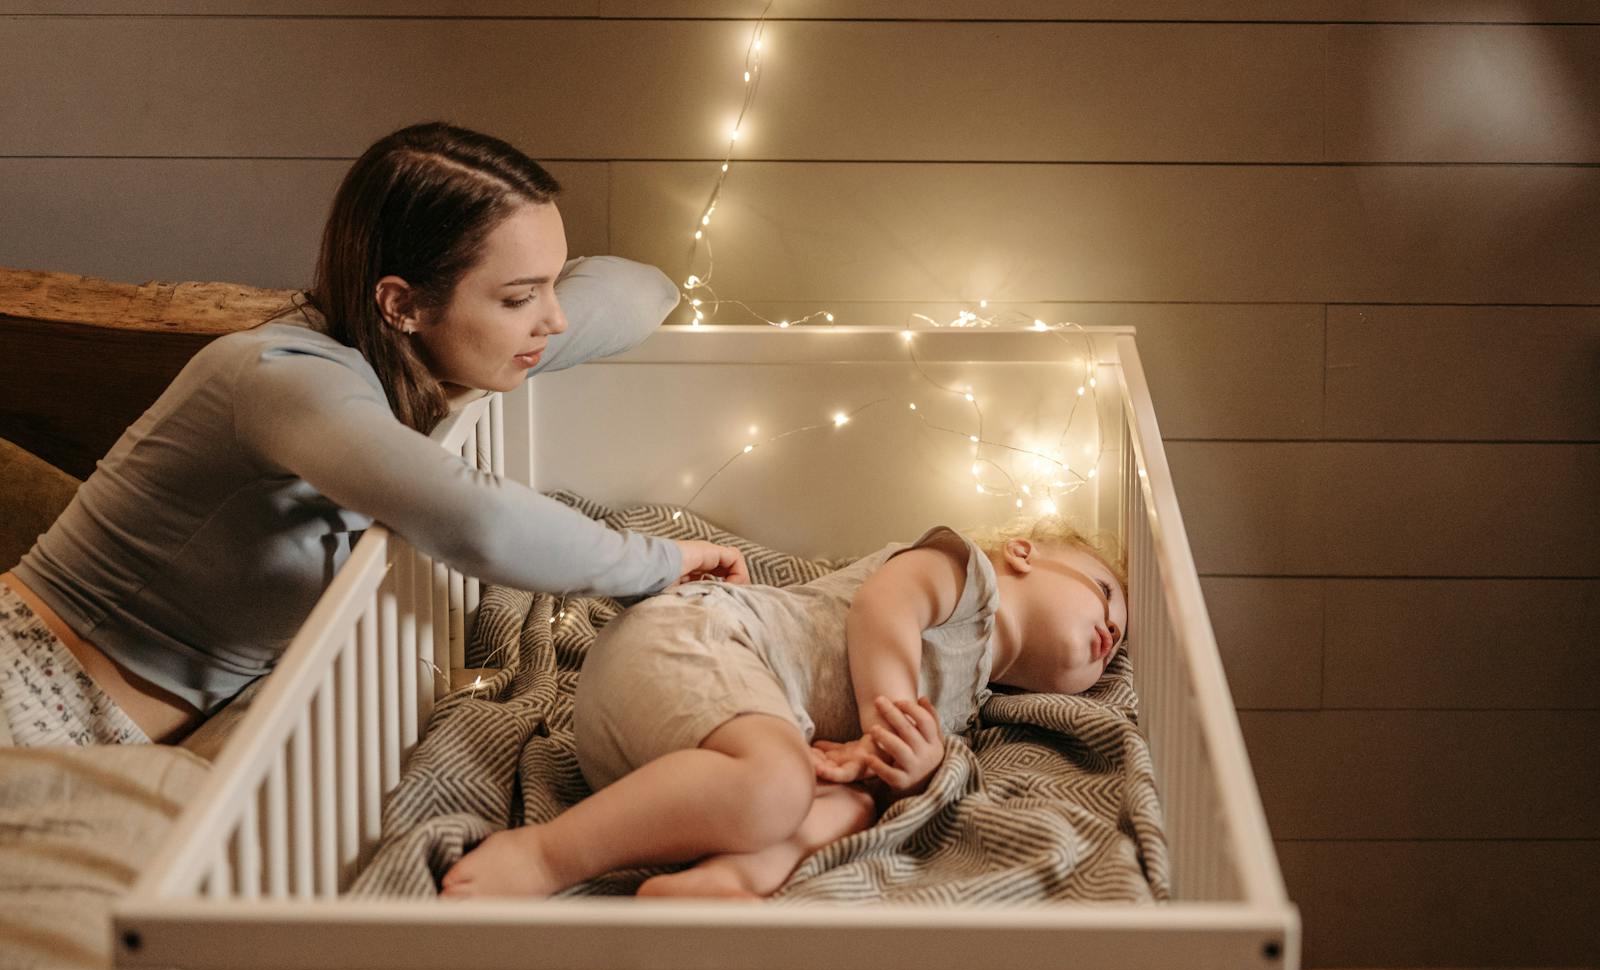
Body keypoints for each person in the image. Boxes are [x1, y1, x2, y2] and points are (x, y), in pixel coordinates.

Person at [0, 121, 745, 749]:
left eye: (554, 284)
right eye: (521, 296)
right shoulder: (282, 378)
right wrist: (660, 562)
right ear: (402, 303)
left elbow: (642, 289)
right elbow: (476, 520)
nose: (552, 321)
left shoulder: (410, 360)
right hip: (32, 683)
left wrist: (485, 339)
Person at [440, 515, 1128, 900]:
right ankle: (545, 857)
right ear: (1024, 553)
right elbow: (884, 607)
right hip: (693, 644)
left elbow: (875, 775)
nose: (1110, 632)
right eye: (1104, 593)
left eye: (1118, 643)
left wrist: (913, 769)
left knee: (850, 805)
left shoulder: (968, 714)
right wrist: (888, 712)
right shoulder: (965, 577)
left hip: (689, 777)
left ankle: (722, 880)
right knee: (779, 782)